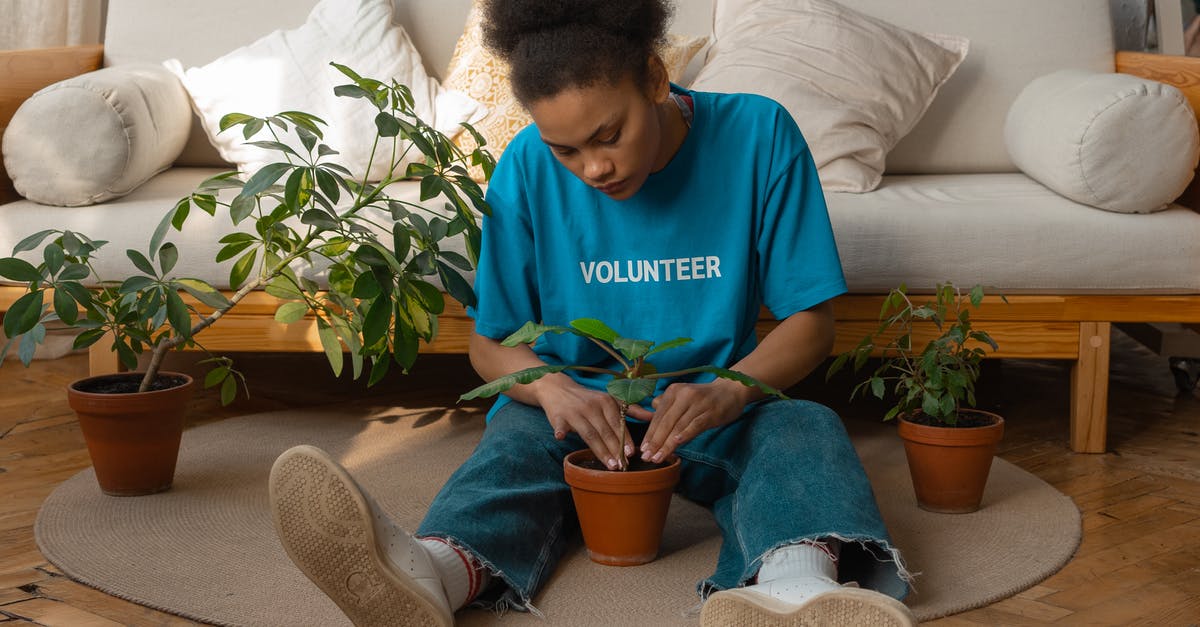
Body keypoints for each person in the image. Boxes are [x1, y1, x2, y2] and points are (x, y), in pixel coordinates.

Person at [268, 0, 914, 624]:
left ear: (656, 80)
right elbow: (491, 343)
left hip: (715, 408)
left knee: (803, 428)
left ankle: (791, 591)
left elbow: (811, 322)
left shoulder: (758, 132)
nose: (594, 169)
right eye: (566, 150)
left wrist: (728, 391)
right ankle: (432, 574)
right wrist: (552, 389)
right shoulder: (523, 163)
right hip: (577, 410)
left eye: (609, 135)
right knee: (511, 453)